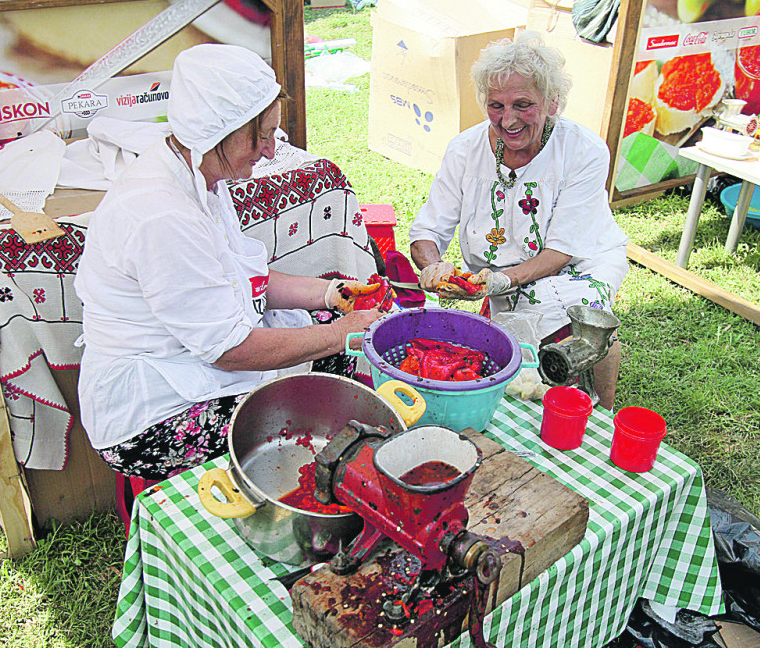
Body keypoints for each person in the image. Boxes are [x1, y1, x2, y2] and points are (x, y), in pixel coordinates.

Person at [75, 44, 388, 479]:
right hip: (148, 413)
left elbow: (245, 275)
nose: (268, 151)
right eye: (259, 137)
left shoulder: (199, 175)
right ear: (213, 134)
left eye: (272, 135)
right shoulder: (161, 214)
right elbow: (230, 349)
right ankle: (297, 493)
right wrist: (338, 333)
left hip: (190, 359)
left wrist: (329, 294)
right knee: (309, 415)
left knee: (330, 346)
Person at [408, 33, 629, 409]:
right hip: (499, 273)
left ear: (552, 102)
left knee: (567, 318)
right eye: (496, 105)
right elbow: (427, 231)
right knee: (511, 356)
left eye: (523, 105)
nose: (507, 120)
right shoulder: (465, 149)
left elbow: (562, 250)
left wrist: (499, 281)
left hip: (578, 262)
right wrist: (433, 267)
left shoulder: (584, 150)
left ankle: (602, 409)